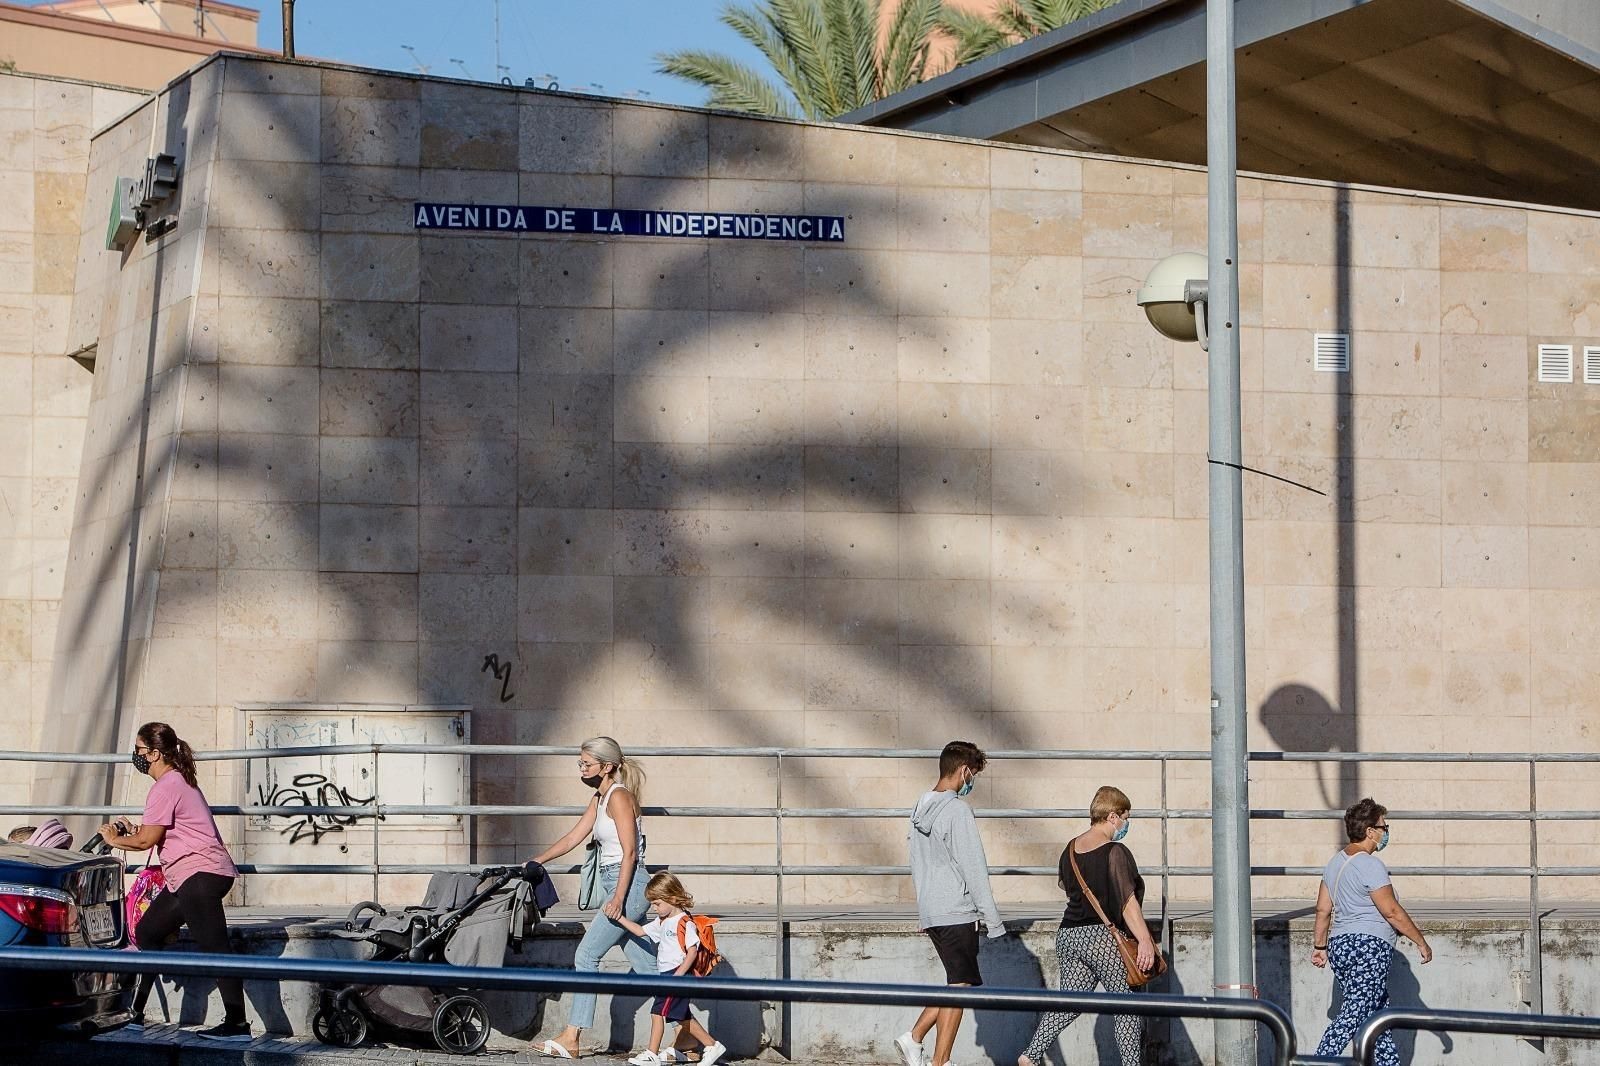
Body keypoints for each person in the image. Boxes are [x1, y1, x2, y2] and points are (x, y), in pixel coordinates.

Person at [99, 722, 248, 1042]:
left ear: (154, 753)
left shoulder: (166, 786)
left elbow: (145, 843)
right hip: (189, 876)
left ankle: (238, 1025)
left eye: (138, 750)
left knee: (216, 949)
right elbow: (156, 831)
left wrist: (114, 839)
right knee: (149, 932)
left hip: (200, 874)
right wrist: (131, 829)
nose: (135, 756)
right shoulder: (177, 782)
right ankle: (135, 1014)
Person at [528, 737, 653, 1058]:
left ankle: (572, 1037)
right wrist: (537, 860)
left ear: (607, 766)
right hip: (618, 884)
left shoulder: (620, 797)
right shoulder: (600, 798)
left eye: (586, 764)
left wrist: (618, 899)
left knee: (586, 955)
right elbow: (573, 836)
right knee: (650, 968)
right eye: (579, 763)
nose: (581, 769)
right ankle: (691, 1033)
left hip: (628, 886)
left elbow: (630, 853)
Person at [1017, 786, 1154, 1066]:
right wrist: (1145, 940)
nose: (1126, 825)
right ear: (1113, 816)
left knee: (1069, 1002)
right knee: (1127, 1008)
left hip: (1069, 935)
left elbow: (1069, 890)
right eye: (1126, 818)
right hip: (1102, 939)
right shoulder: (1115, 851)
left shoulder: (1070, 849)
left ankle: (1029, 1056)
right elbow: (1127, 903)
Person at [896, 741, 1006, 1066]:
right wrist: (994, 921)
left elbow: (916, 864)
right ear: (964, 771)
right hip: (957, 912)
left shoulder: (919, 809)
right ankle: (922, 1045)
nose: (972, 783)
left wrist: (924, 911)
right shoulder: (957, 810)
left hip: (934, 913)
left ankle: (933, 1056)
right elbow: (974, 868)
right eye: (973, 776)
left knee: (956, 982)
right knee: (961, 987)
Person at [1312, 798, 1432, 1066]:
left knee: (1374, 1015)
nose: (1385, 831)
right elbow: (1391, 911)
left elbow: (1322, 910)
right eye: (1383, 826)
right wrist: (1420, 941)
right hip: (1368, 947)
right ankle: (1317, 1062)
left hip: (1340, 946)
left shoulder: (1334, 864)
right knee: (1354, 1013)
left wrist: (1320, 947)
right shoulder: (1370, 864)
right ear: (1369, 831)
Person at [611, 872, 727, 1066]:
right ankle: (712, 1045)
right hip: (667, 975)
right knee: (680, 1016)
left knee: (658, 1013)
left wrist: (679, 974)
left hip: (677, 975)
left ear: (672, 898)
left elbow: (692, 951)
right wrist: (619, 918)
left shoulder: (684, 922)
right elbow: (640, 931)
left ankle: (651, 1053)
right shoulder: (662, 921)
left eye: (657, 903)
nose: (655, 908)